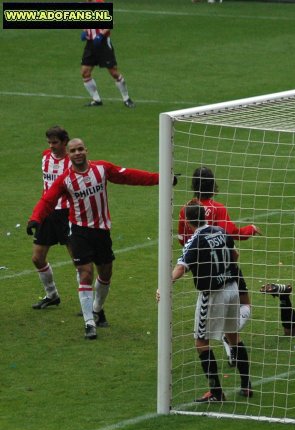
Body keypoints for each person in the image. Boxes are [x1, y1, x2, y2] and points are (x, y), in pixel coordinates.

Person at [27, 138, 164, 340]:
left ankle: (97, 309)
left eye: (80, 149)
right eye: (73, 151)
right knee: (85, 273)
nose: (77, 153)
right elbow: (48, 199)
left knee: (106, 273)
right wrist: (35, 218)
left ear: (86, 150)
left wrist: (159, 178)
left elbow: (129, 176)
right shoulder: (65, 179)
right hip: (79, 231)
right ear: (69, 154)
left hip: (101, 231)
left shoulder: (102, 169)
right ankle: (89, 322)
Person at [168, 202, 252, 402]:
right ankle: (246, 385)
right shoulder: (221, 231)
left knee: (201, 341)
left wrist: (164, 285)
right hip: (232, 288)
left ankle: (216, 392)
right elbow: (235, 255)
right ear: (204, 217)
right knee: (234, 337)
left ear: (188, 222)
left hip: (212, 294)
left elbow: (181, 268)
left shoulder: (194, 240)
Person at [178, 167, 261, 367]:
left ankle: (227, 337)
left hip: (203, 270)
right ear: (213, 185)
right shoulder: (219, 208)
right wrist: (251, 229)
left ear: (193, 185)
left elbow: (184, 240)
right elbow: (233, 234)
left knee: (209, 312)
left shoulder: (186, 210)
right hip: (227, 268)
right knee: (245, 304)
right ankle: (229, 336)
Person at [30, 126, 74, 309]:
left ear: (64, 142)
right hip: (48, 213)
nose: (51, 146)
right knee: (37, 258)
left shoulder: (74, 161)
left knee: (79, 261)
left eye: (55, 142)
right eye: (49, 142)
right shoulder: (45, 156)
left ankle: (90, 306)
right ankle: (52, 295)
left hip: (67, 214)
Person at [80, 0, 134, 108]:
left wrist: (101, 34)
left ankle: (126, 98)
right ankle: (96, 100)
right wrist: (85, 32)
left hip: (103, 42)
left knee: (113, 72)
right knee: (85, 72)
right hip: (90, 44)